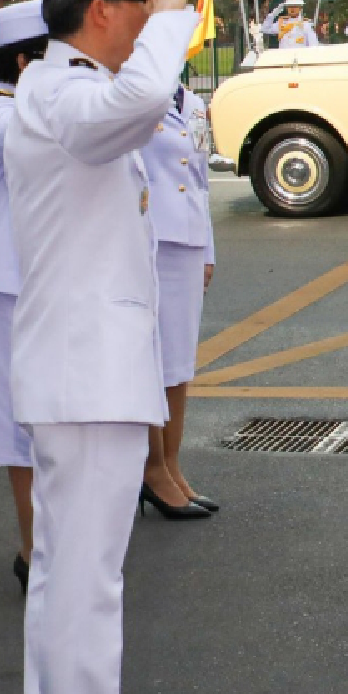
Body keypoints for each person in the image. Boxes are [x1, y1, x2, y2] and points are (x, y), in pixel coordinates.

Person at [8, 0, 200, 694]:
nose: (151, 8)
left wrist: (157, 27)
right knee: (85, 579)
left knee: (68, 576)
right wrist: (174, 25)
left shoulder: (69, 89)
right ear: (101, 13)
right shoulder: (60, 93)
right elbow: (133, 110)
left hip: (85, 372)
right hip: (84, 377)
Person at [0, 0, 49, 593]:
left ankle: (50, 542)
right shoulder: (1, 118)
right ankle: (32, 548)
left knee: (52, 420)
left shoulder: (28, 108)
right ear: (25, 64)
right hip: (8, 285)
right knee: (20, 427)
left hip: (45, 281)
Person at [139, 73, 219, 520]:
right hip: (149, 241)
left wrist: (206, 247)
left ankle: (172, 465)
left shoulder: (191, 102)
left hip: (186, 240)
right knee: (153, 363)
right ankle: (152, 469)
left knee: (179, 364)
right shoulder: (134, 94)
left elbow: (201, 179)